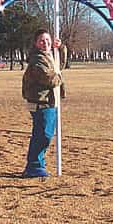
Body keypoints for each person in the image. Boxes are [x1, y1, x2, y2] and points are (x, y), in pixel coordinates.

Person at [21, 29, 65, 178]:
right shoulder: (37, 59)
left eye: (47, 40)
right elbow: (50, 78)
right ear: (36, 43)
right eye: (41, 40)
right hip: (40, 102)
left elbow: (60, 66)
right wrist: (60, 77)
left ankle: (37, 164)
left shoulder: (50, 56)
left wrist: (61, 48)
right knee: (43, 135)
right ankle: (34, 165)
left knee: (45, 134)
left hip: (49, 101)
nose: (45, 43)